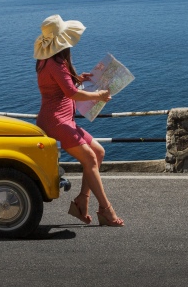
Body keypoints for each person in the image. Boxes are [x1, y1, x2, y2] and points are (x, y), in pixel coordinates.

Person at [34, 14, 124, 227]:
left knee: (98, 153)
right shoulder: (56, 63)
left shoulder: (47, 60)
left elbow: (62, 86)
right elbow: (72, 94)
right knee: (90, 159)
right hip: (56, 122)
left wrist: (77, 78)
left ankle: (82, 200)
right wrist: (100, 95)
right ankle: (105, 209)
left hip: (61, 120)